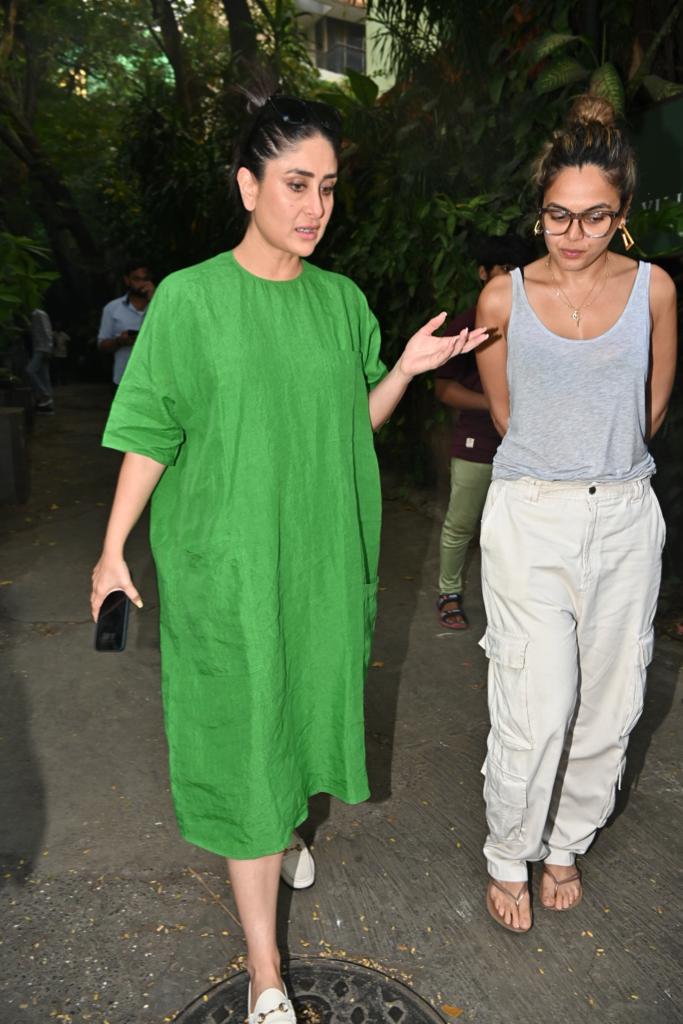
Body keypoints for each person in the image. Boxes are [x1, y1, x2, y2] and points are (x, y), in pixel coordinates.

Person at [90, 90, 488, 1023]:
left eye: (329, 188)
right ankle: (267, 973)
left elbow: (343, 427)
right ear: (247, 185)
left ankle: (284, 828)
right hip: (223, 569)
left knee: (302, 714)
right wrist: (114, 549)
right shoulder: (188, 300)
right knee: (240, 744)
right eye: (295, 184)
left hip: (312, 566)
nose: (314, 207)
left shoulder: (341, 303)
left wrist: (402, 373)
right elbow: (148, 432)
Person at [475, 94, 677, 933]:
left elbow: (649, 410)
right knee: (537, 700)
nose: (573, 233)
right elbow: (503, 416)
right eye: (558, 215)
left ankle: (565, 843)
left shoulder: (655, 291)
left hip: (626, 513)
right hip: (530, 515)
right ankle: (506, 849)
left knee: (612, 700)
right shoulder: (501, 301)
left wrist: (601, 458)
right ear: (539, 212)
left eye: (594, 217)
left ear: (621, 216)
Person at [435, 235, 535, 630]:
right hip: (478, 444)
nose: (511, 279)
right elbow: (444, 388)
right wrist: (496, 406)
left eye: (517, 271)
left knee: (520, 530)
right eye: (502, 270)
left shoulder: (540, 319)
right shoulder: (468, 321)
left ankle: (519, 604)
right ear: (482, 273)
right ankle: (449, 593)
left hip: (528, 448)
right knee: (461, 523)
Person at [97, 261, 155, 386]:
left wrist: (155, 300)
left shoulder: (160, 306)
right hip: (124, 380)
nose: (142, 283)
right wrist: (120, 341)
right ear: (127, 280)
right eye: (136, 279)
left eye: (145, 279)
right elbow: (102, 345)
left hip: (156, 380)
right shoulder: (112, 308)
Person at [26, 307, 54, 412]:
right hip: (40, 348)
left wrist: (48, 348)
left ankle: (45, 395)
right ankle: (48, 405)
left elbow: (47, 331)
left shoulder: (38, 314)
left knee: (30, 370)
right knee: (45, 377)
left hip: (42, 349)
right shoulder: (34, 315)